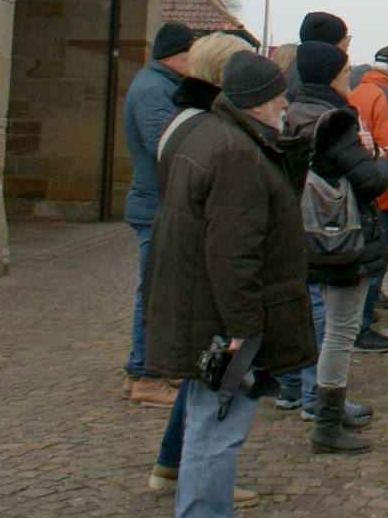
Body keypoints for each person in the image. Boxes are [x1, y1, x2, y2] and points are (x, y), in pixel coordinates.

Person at [143, 52, 317, 518]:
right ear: (256, 102)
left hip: (205, 309)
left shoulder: (214, 135)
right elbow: (233, 253)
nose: (285, 103)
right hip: (225, 320)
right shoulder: (235, 153)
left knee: (208, 427)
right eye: (278, 95)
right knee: (216, 432)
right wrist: (243, 330)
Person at [146, 33, 261, 505]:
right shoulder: (209, 130)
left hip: (188, 266)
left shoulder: (187, 120)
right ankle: (194, 483)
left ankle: (173, 466)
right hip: (199, 273)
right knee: (212, 390)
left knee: (200, 385)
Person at [279, 39, 388, 452]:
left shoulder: (293, 112)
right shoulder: (334, 121)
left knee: (325, 325)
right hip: (341, 239)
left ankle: (328, 408)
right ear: (330, 75)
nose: (350, 79)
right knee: (340, 330)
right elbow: (371, 180)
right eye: (345, 72)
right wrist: (381, 155)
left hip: (306, 234)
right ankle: (326, 421)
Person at [121, 20, 195, 407]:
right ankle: (146, 375)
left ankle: (148, 369)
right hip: (156, 204)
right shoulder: (153, 88)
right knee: (155, 293)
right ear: (175, 55)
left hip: (158, 201)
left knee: (157, 290)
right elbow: (162, 143)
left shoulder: (160, 84)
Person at [348, 44, 388, 352]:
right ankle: (361, 325)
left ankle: (363, 316)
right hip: (382, 187)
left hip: (363, 183)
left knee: (365, 254)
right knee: (376, 255)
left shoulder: (358, 90)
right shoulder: (385, 95)